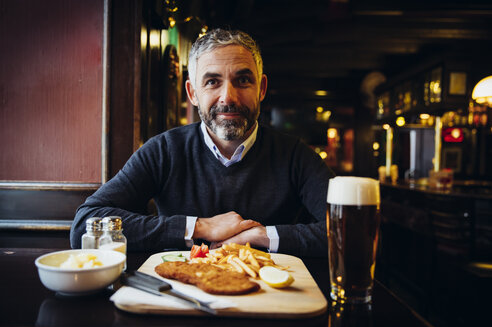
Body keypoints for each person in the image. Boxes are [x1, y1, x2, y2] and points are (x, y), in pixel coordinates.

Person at [70, 29, 335, 257]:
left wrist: (260, 237)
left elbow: (345, 230)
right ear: (193, 93)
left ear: (261, 89)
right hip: (180, 296)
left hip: (276, 303)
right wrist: (200, 227)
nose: (227, 97)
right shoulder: (163, 150)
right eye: (212, 82)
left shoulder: (297, 156)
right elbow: (84, 224)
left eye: (243, 80)